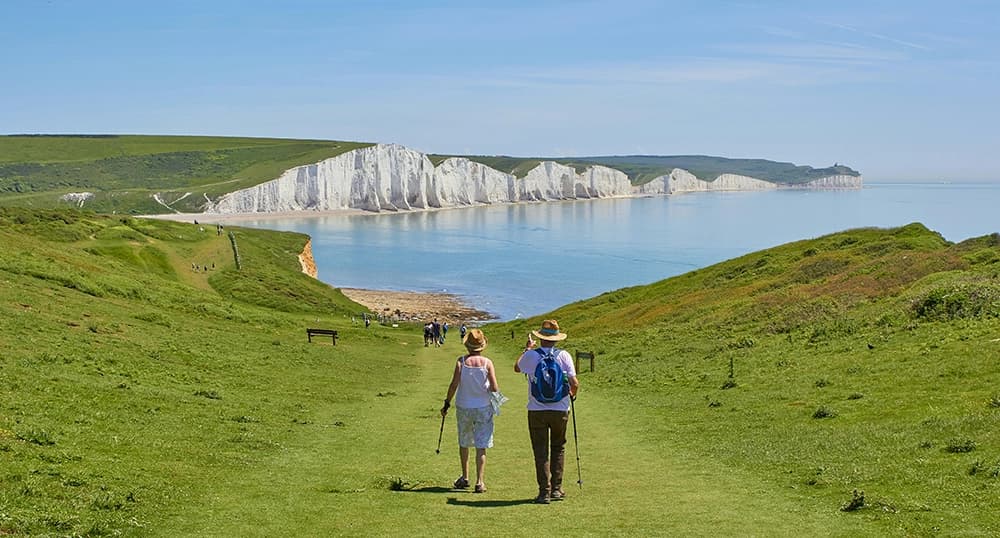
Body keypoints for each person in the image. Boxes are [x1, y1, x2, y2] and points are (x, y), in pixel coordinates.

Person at [515, 319, 579, 504]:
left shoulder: (532, 356)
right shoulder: (564, 356)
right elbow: (574, 383)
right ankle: (557, 489)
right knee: (558, 448)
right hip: (560, 408)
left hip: (536, 409)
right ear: (557, 339)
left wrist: (527, 349)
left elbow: (517, 367)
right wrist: (572, 395)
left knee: (540, 451)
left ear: (540, 337)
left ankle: (544, 492)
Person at [441, 329, 500, 494]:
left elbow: (453, 385)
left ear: (467, 346)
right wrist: (494, 401)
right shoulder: (487, 363)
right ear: (482, 346)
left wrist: (446, 403)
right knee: (481, 445)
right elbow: (494, 388)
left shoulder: (461, 362)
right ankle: (480, 482)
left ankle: (465, 477)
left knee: (464, 442)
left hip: (464, 406)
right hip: (483, 407)